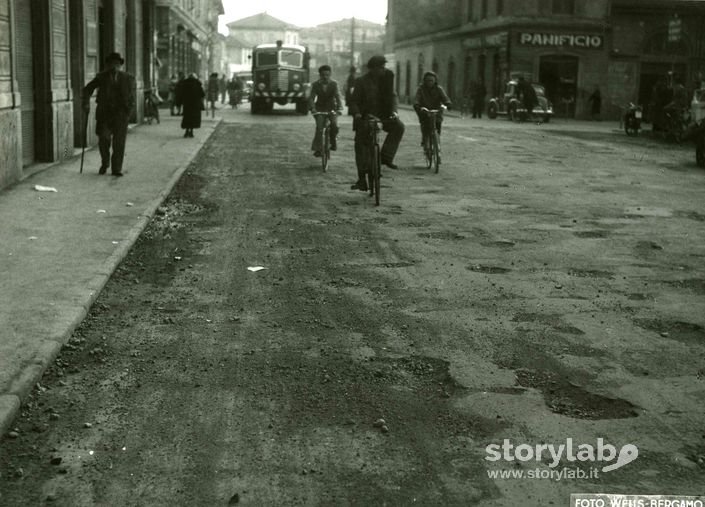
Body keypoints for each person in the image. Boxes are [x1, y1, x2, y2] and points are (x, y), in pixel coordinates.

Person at [348, 55, 405, 191]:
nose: (383, 70)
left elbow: (393, 96)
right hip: (365, 118)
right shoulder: (361, 82)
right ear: (372, 68)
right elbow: (354, 101)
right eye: (380, 67)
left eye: (384, 67)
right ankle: (362, 180)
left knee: (399, 127)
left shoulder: (387, 79)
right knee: (360, 147)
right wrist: (357, 113)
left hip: (384, 116)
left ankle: (386, 157)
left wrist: (394, 111)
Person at [82, 52, 135, 177]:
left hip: (121, 115)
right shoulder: (101, 77)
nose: (114, 66)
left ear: (120, 65)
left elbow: (132, 96)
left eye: (117, 64)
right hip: (104, 114)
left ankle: (116, 168)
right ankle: (105, 163)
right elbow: (87, 89)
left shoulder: (128, 78)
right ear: (108, 65)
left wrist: (128, 111)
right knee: (104, 139)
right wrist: (86, 103)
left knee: (119, 142)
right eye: (112, 64)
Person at [308, 65, 343, 157]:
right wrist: (313, 108)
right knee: (320, 128)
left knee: (334, 125)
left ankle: (333, 142)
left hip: (332, 108)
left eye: (327, 75)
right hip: (319, 108)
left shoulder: (334, 84)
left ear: (330, 74)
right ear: (320, 75)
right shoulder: (315, 84)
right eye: (323, 75)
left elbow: (338, 96)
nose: (325, 77)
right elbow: (311, 98)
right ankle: (318, 149)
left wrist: (340, 107)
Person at [413, 71, 451, 147]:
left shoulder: (439, 89)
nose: (430, 82)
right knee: (424, 124)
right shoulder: (421, 89)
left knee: (438, 123)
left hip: (436, 110)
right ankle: (424, 139)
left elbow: (445, 97)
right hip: (425, 110)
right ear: (424, 81)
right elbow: (417, 98)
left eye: (431, 80)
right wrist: (417, 105)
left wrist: (448, 103)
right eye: (428, 80)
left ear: (435, 81)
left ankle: (437, 140)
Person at [180, 73, 205, 138]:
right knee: (193, 118)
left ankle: (186, 131)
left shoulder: (185, 84)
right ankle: (191, 132)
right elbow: (202, 94)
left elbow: (181, 93)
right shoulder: (198, 84)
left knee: (187, 117)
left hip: (187, 104)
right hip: (195, 104)